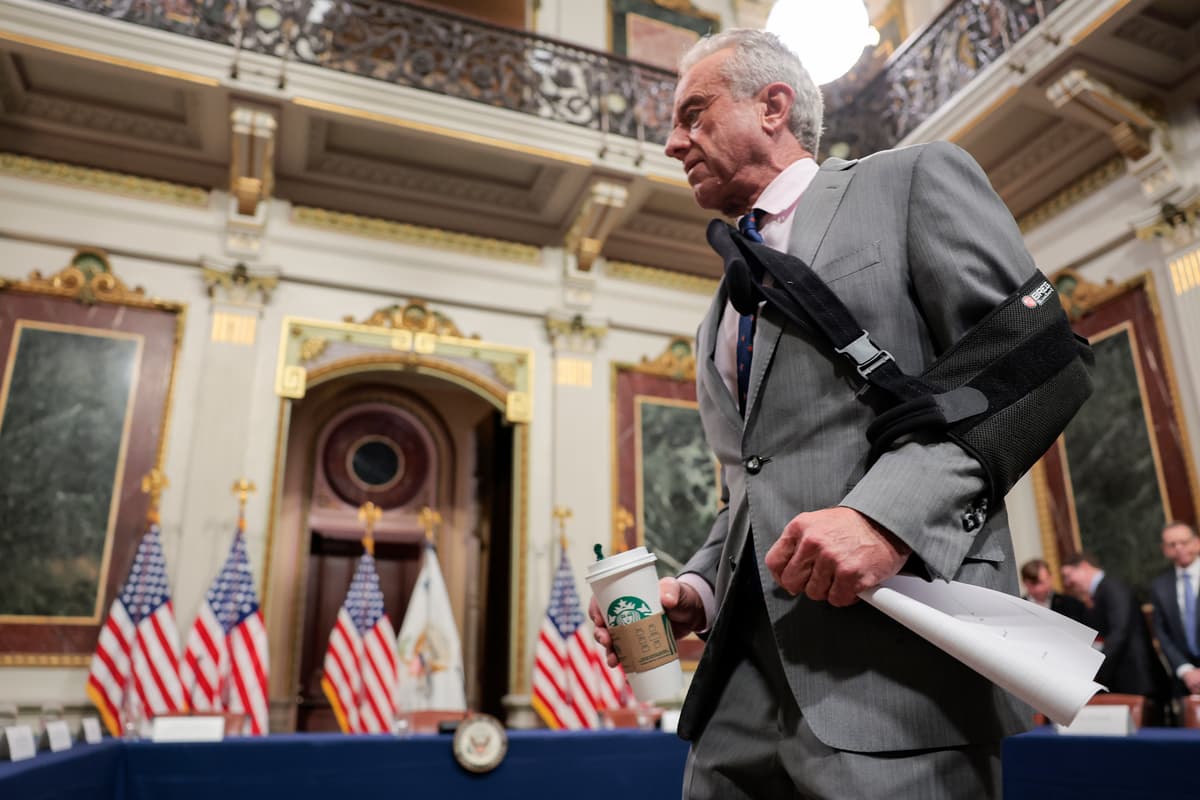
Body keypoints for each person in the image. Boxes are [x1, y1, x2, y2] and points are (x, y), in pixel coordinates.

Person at [590, 28, 1050, 799]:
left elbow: (1029, 366)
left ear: (773, 106)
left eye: (694, 115)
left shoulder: (910, 180)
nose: (673, 143)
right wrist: (697, 593)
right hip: (737, 698)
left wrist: (886, 518)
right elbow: (751, 485)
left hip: (897, 678)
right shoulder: (721, 306)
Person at [1060, 553, 1161, 698]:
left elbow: (1119, 633)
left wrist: (1094, 668)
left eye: (1068, 575)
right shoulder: (1098, 594)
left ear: (1084, 567)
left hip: (1136, 679)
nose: (1067, 582)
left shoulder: (1112, 588)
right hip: (1123, 679)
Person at [1148, 521, 1200, 697]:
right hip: (1185, 681)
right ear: (1165, 550)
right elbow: (1162, 632)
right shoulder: (1160, 585)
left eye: (1184, 542)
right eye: (1172, 544)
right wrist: (1185, 670)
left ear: (1197, 543)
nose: (1178, 548)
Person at [1020, 557, 1090, 625]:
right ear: (1024, 583)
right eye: (1033, 584)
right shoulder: (1018, 608)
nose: (1038, 589)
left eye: (1041, 582)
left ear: (1051, 578)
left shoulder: (1072, 604)